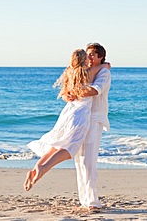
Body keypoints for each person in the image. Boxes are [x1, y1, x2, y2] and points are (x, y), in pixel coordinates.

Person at [24, 48, 110, 191]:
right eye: (87, 56)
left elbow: (65, 93)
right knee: (70, 148)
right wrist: (104, 65)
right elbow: (94, 88)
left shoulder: (70, 72)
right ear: (83, 59)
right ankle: (43, 168)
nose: (89, 58)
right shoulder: (86, 73)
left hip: (68, 112)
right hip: (80, 115)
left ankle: (39, 166)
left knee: (58, 144)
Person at [72, 43, 111, 212]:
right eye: (88, 54)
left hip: (94, 119)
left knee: (89, 161)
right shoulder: (83, 72)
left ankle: (93, 201)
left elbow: (95, 90)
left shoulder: (104, 72)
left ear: (101, 57)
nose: (90, 57)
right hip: (80, 119)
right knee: (79, 160)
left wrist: (75, 92)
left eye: (94, 55)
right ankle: (84, 199)